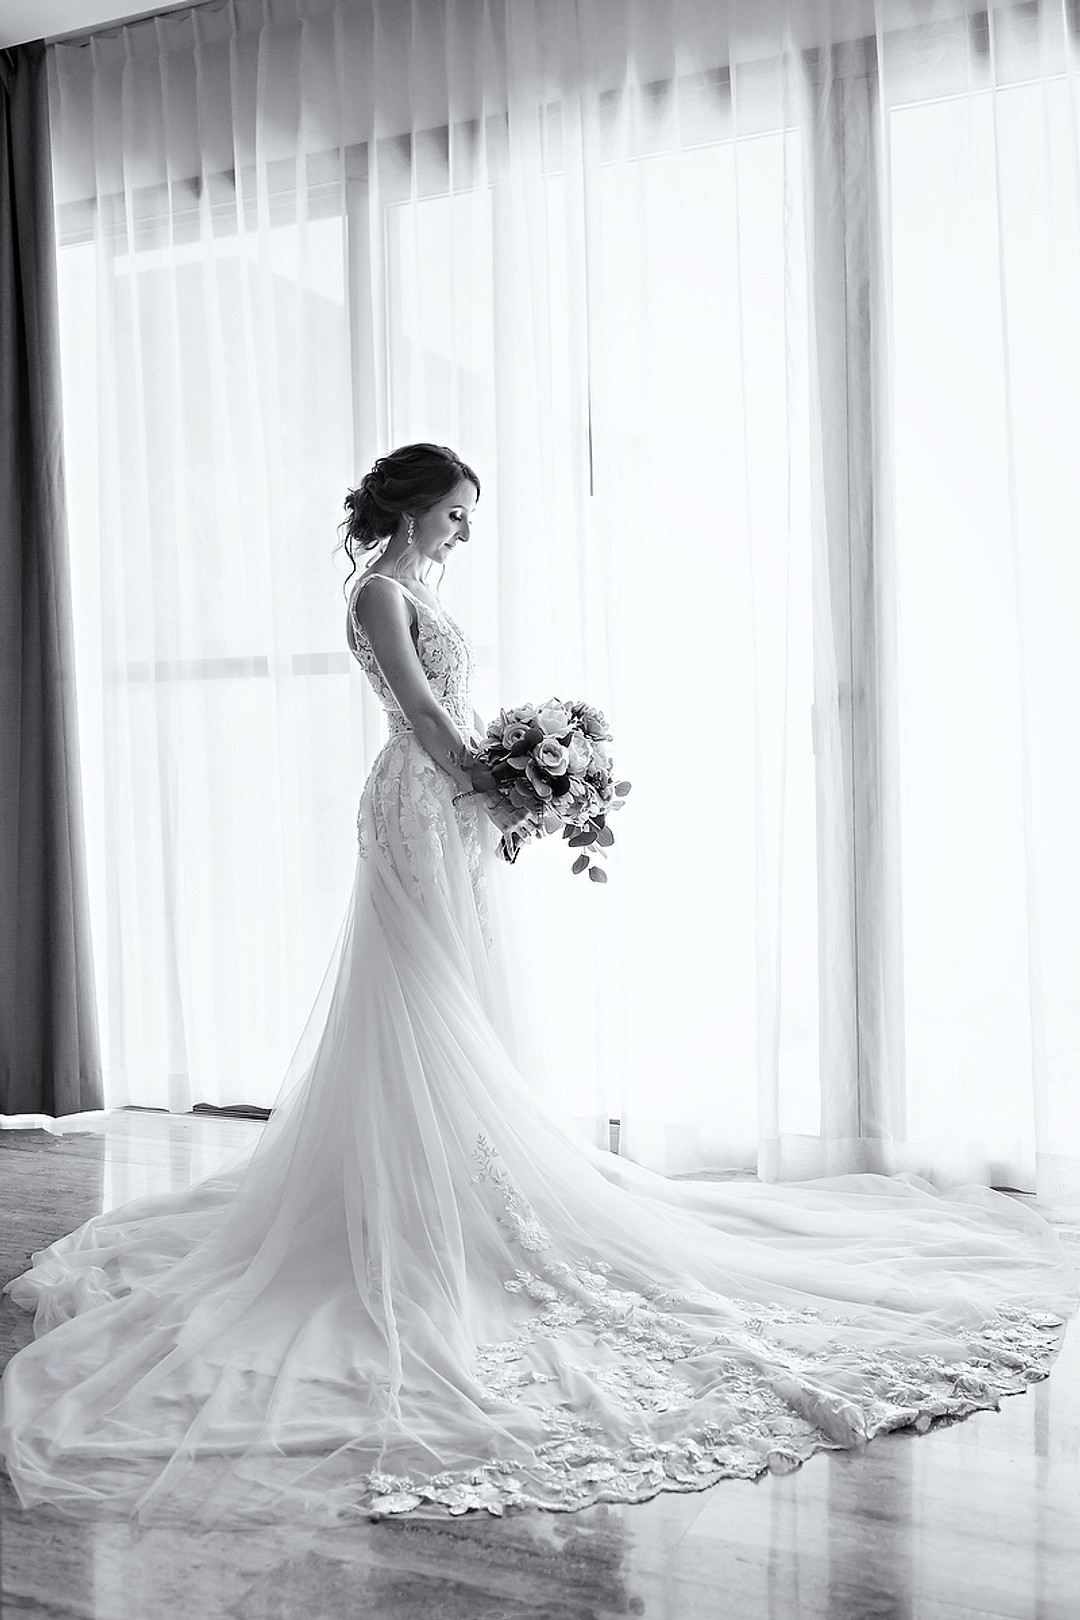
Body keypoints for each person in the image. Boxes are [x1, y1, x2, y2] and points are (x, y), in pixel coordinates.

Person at [0, 442, 1075, 1526]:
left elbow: (448, 710)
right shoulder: (377, 591)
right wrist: (496, 780)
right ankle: (428, 1200)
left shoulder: (414, 587)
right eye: (458, 513)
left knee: (459, 998)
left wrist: (519, 780)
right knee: (425, 996)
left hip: (449, 801)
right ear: (416, 508)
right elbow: (421, 713)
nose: (466, 531)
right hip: (418, 802)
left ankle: (463, 1178)